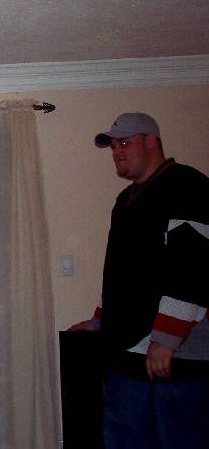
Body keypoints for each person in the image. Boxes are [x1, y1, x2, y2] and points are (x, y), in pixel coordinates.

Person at [68, 112, 209, 449]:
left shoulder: (187, 185)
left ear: (151, 141)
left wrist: (167, 339)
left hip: (174, 356)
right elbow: (121, 273)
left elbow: (192, 266)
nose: (117, 151)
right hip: (126, 352)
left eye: (125, 143)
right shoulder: (126, 200)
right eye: (113, 146)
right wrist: (100, 321)